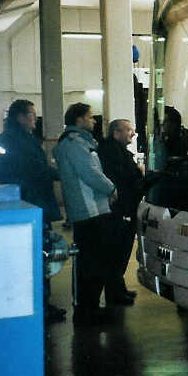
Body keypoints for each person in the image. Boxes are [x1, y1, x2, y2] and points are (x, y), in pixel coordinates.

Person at [0, 99, 66, 323]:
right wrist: (62, 175)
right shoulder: (17, 140)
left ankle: (41, 304)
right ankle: (40, 306)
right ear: (20, 117)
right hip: (31, 205)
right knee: (38, 257)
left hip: (26, 204)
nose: (35, 119)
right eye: (31, 115)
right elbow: (35, 169)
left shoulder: (15, 138)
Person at [53, 103, 117, 326]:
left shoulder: (80, 143)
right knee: (91, 264)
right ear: (79, 120)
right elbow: (90, 173)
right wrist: (111, 188)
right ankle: (87, 310)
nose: (94, 121)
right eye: (90, 117)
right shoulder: (74, 144)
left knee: (93, 262)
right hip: (89, 211)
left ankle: (90, 307)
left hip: (94, 210)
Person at [97, 119, 142, 306]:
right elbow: (124, 177)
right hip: (120, 209)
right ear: (116, 133)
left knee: (121, 252)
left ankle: (118, 288)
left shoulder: (118, 151)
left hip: (124, 206)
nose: (133, 133)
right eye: (129, 130)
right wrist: (139, 172)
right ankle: (114, 292)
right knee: (117, 251)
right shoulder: (112, 153)